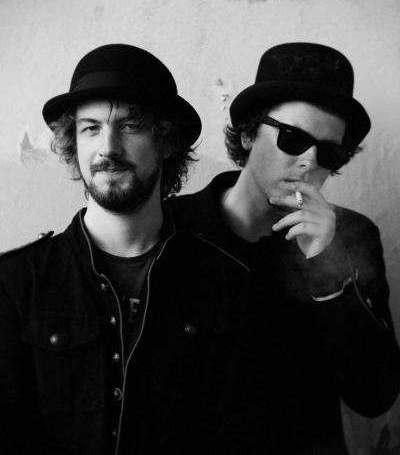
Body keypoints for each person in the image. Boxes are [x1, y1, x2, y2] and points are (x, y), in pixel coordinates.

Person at [0, 44, 251, 455]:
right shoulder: (14, 285)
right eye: (91, 128)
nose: (108, 148)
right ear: (73, 142)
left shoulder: (227, 284)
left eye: (130, 126)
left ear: (166, 141)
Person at [172, 42, 400, 454]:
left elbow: (373, 396)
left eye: (329, 151)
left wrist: (326, 265)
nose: (310, 161)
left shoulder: (352, 235)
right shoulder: (175, 227)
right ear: (247, 134)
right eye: (293, 138)